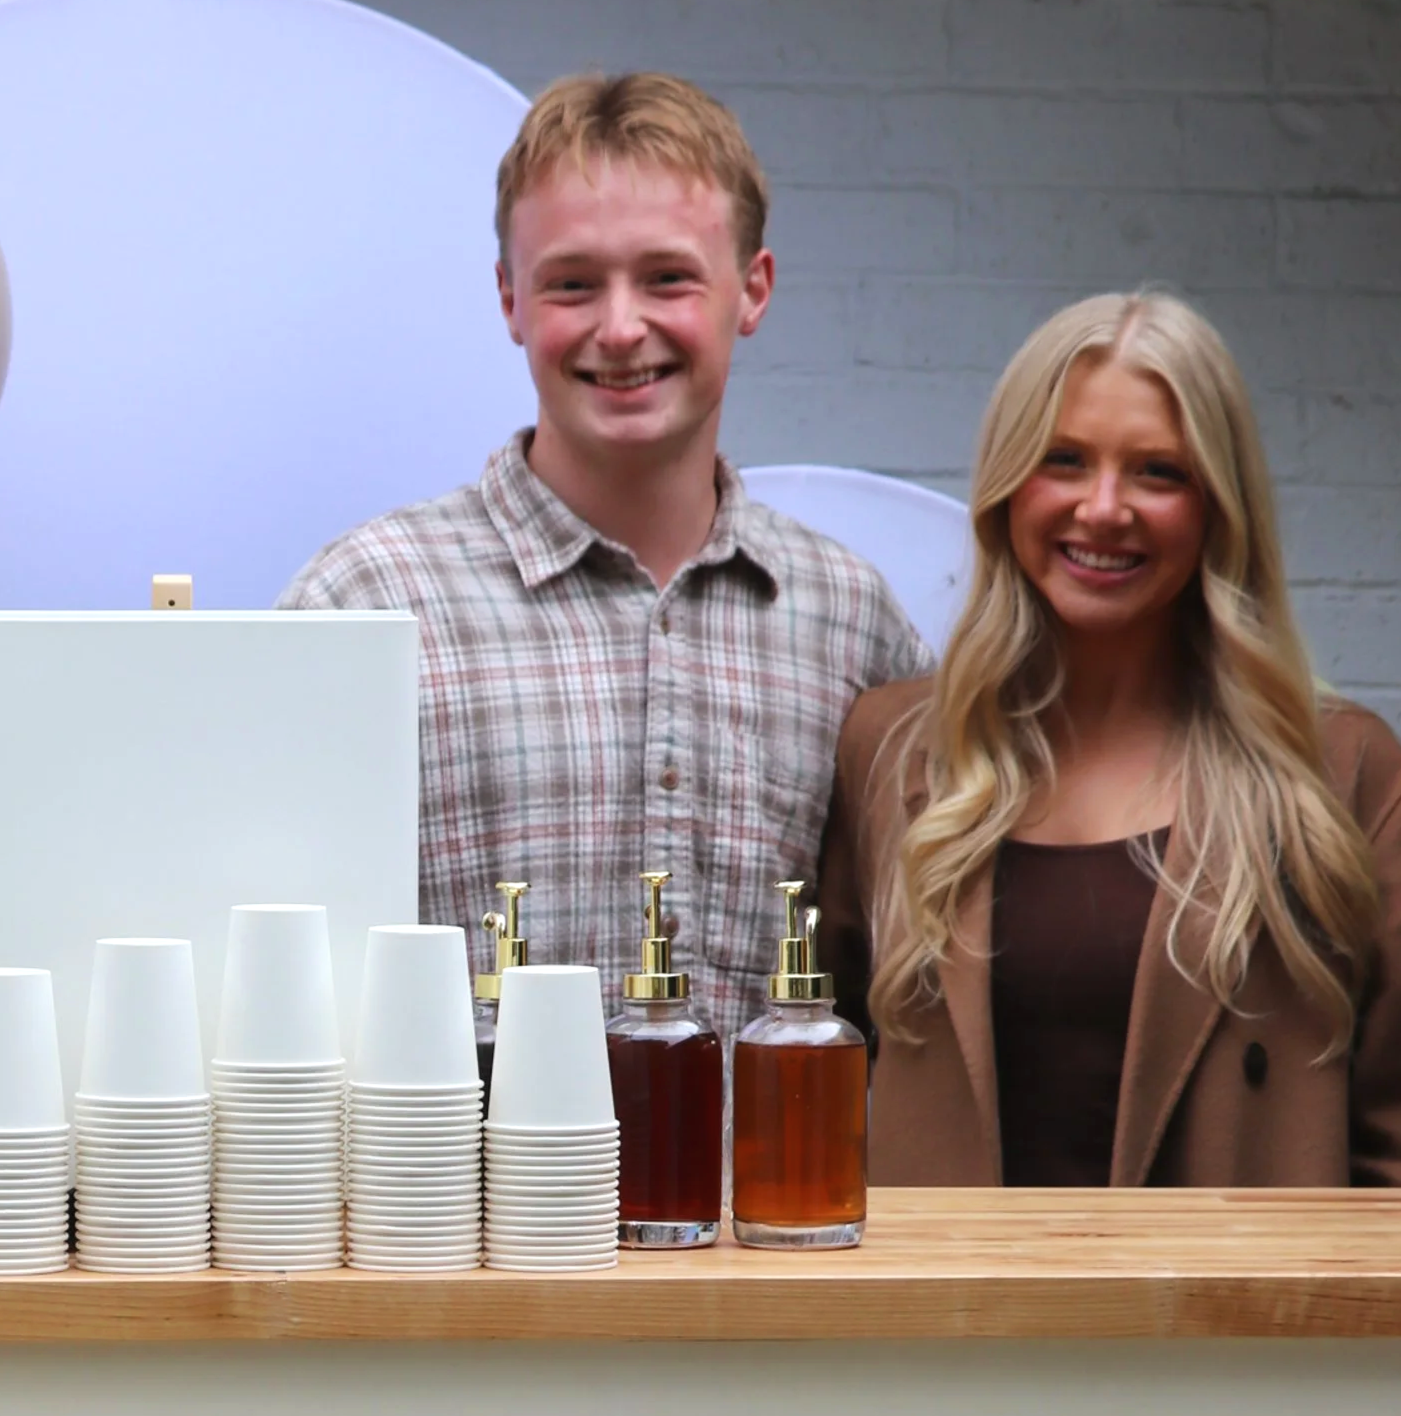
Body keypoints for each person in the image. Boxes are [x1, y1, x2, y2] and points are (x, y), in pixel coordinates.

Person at [280, 73, 928, 1045]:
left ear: (750, 291)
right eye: (572, 283)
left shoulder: (849, 620)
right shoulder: (364, 604)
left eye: (667, 278)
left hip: (764, 1203)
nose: (620, 328)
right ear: (509, 298)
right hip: (456, 1202)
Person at [817, 292, 1401, 1187]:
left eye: (1157, 472)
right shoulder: (890, 748)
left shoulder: (1341, 773)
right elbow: (823, 1077)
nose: (1103, 508)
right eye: (1064, 460)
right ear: (1008, 484)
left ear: (1218, 504)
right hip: (940, 1316)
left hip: (1232, 1318)